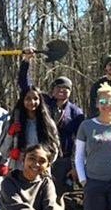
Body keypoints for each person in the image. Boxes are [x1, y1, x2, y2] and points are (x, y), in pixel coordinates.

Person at [19, 48, 85, 197]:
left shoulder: (76, 113)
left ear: (70, 91)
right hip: (40, 157)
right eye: (58, 87)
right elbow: (24, 84)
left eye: (65, 88)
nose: (61, 90)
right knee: (37, 193)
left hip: (63, 160)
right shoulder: (44, 102)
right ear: (53, 89)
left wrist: (76, 167)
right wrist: (26, 61)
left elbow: (80, 142)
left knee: (58, 195)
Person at [1, 83, 60, 173]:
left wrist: (42, 161)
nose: (32, 102)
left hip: (41, 172)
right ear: (22, 100)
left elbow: (54, 150)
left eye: (35, 99)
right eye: (28, 99)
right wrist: (10, 135)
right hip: (19, 170)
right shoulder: (13, 122)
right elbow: (4, 152)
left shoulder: (48, 123)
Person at [88, 54, 111, 118]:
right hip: (103, 120)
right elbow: (93, 106)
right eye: (110, 65)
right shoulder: (97, 85)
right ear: (105, 67)